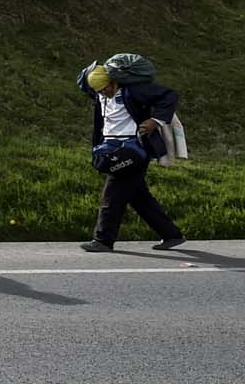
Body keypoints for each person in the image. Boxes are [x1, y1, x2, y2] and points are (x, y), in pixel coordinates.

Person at [78, 60, 186, 252]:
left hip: (133, 150)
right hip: (112, 148)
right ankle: (171, 234)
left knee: (112, 195)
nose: (104, 93)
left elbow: (169, 95)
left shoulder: (134, 91)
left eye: (105, 89)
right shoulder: (101, 96)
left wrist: (155, 120)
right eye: (99, 91)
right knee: (138, 196)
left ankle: (103, 240)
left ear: (113, 82)